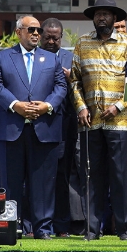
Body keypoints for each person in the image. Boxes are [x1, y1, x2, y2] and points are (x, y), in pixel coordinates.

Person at [0, 16, 68, 239]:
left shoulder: (51, 59)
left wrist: (47, 105)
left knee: (43, 183)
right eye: (31, 29)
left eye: (38, 30)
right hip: (9, 130)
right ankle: (13, 227)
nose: (36, 33)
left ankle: (43, 228)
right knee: (9, 182)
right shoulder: (2, 57)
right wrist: (16, 106)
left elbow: (61, 87)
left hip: (43, 128)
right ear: (18, 32)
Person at [72, 0, 127, 240]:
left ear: (114, 18)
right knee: (92, 177)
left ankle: (124, 229)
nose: (101, 18)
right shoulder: (82, 43)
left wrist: (120, 105)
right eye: (98, 14)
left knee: (120, 177)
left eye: (106, 14)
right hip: (90, 122)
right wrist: (80, 107)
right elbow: (75, 80)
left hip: (121, 121)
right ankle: (92, 229)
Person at [41, 17, 82, 236]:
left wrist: (71, 78)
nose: (50, 42)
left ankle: (63, 225)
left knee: (64, 177)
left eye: (55, 38)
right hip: (40, 124)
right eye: (47, 37)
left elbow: (84, 84)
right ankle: (36, 223)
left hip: (66, 126)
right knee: (40, 177)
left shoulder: (70, 57)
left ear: (61, 37)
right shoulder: (34, 57)